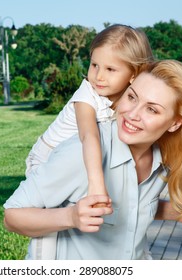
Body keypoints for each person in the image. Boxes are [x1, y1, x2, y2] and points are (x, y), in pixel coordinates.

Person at [3, 60, 182, 260]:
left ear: (175, 123)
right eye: (131, 97)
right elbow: (12, 216)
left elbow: (128, 206)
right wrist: (70, 216)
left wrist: (176, 212)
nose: (132, 113)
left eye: (151, 109)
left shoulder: (162, 160)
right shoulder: (83, 152)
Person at [25, 24, 153, 204]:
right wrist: (96, 184)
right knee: (51, 212)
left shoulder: (130, 98)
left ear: (134, 74)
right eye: (94, 65)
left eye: (110, 69)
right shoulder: (86, 94)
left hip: (78, 158)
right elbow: (89, 136)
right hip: (47, 158)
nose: (98, 76)